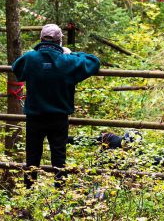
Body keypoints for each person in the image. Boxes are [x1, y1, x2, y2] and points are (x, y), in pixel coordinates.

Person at [11, 24, 100, 188]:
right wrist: (71, 53)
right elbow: (94, 62)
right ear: (60, 41)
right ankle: (60, 197)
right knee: (59, 158)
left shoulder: (30, 58)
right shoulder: (68, 60)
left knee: (32, 158)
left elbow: (16, 67)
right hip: (59, 118)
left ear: (41, 39)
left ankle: (29, 196)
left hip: (34, 117)